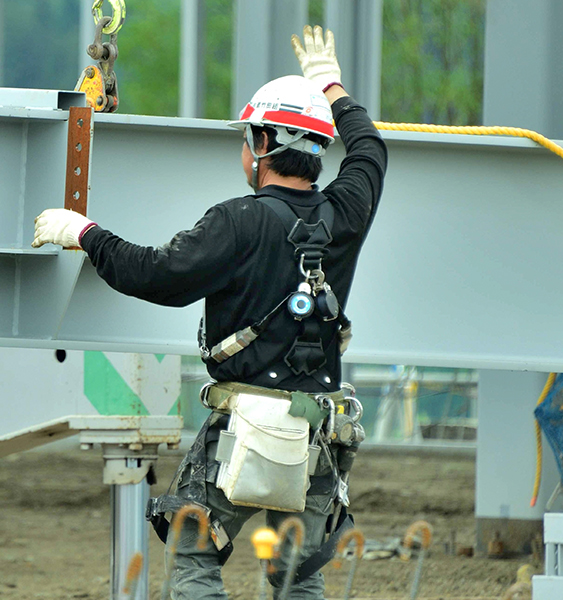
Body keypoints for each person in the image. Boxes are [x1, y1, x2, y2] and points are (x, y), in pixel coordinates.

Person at [31, 25, 387, 600]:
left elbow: (158, 275)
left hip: (243, 428)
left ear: (266, 143)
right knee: (298, 575)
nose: (244, 150)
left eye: (249, 137)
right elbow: (369, 148)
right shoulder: (346, 213)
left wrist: (86, 233)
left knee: (196, 556)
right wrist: (331, 85)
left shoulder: (236, 221)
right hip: (319, 432)